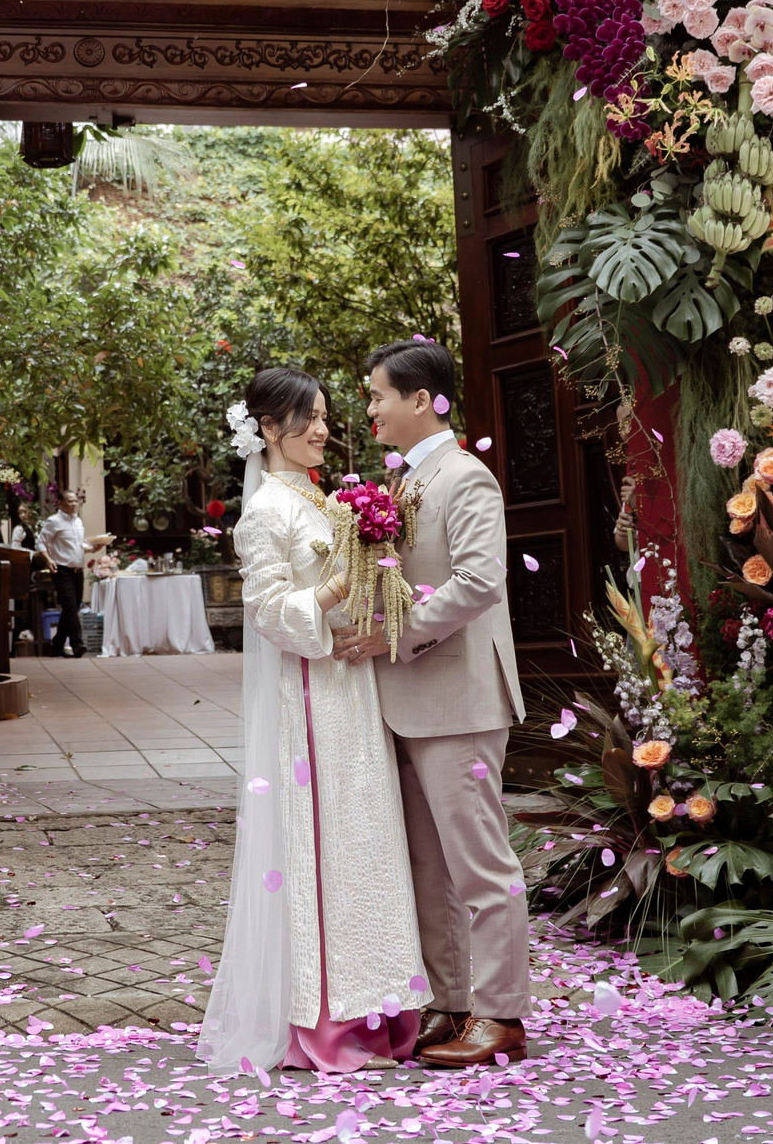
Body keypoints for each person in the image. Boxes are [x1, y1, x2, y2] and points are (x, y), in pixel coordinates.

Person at [199, 367, 426, 1075]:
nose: (323, 429)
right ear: (268, 429)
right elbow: (269, 614)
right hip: (309, 703)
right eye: (307, 418)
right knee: (327, 845)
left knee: (366, 844)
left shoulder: (320, 497)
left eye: (326, 415)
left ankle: (380, 1004)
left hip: (352, 691)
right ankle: (328, 1021)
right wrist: (337, 584)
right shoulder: (266, 511)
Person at [334, 338, 531, 1068]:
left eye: (379, 394)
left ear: (423, 400)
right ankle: (449, 1006)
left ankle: (503, 1014)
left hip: (460, 700)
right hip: (406, 701)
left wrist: (396, 632)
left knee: (480, 867)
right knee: (429, 868)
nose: (371, 408)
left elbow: (480, 582)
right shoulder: (401, 482)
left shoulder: (465, 479)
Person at [36, 496, 89, 657]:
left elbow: (78, 546)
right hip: (61, 570)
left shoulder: (78, 521)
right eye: (70, 501)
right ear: (60, 503)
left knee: (72, 607)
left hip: (77, 570)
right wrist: (48, 559)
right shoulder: (54, 521)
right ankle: (77, 644)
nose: (74, 504)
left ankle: (57, 645)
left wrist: (93, 547)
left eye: (75, 501)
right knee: (71, 605)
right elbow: (40, 543)